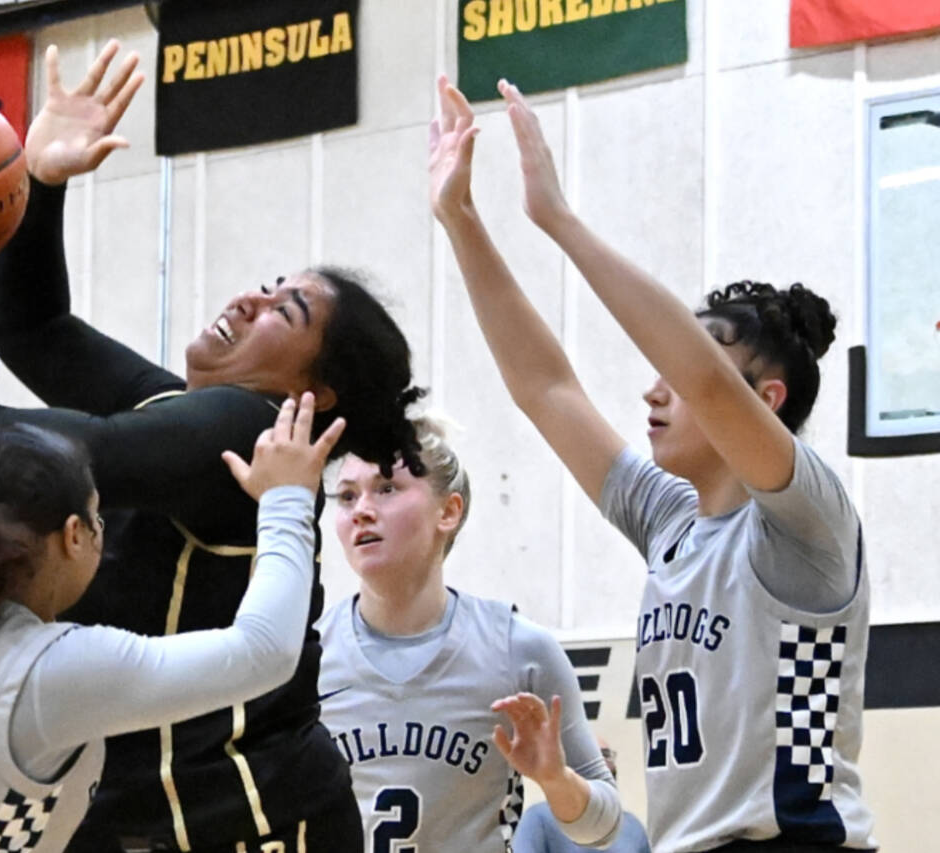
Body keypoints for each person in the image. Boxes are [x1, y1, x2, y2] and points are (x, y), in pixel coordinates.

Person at [0, 42, 423, 853]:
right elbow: (38, 330)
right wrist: (42, 181)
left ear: (316, 387)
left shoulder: (251, 426)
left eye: (287, 311)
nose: (255, 295)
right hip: (150, 806)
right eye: (272, 282)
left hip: (255, 813)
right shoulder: (183, 408)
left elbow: (94, 452)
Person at [428, 74, 875, 853]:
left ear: (765, 399)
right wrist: (461, 218)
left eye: (686, 359)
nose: (655, 384)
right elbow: (545, 387)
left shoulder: (809, 521)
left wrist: (559, 220)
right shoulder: (671, 517)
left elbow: (700, 374)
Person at [0, 319, 345, 852]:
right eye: (99, 516)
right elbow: (264, 653)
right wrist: (287, 499)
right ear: (74, 535)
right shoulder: (49, 674)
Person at [317, 415, 623, 852]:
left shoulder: (518, 648)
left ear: (449, 511)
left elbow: (605, 829)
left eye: (386, 488)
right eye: (347, 496)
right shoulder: (306, 656)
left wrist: (557, 781)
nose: (362, 509)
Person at [516, 738, 651, 853]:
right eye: (595, 755)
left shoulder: (633, 826)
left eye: (606, 754)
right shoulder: (539, 818)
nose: (601, 763)